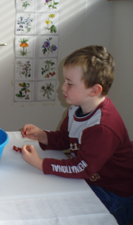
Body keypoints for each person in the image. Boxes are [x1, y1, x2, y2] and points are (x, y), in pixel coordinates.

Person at [21, 45, 133, 225]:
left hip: (113, 193)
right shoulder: (76, 109)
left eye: (69, 83)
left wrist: (41, 164)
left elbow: (81, 168)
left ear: (94, 90)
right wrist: (43, 136)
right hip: (90, 180)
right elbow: (66, 139)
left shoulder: (102, 127)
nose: (62, 88)